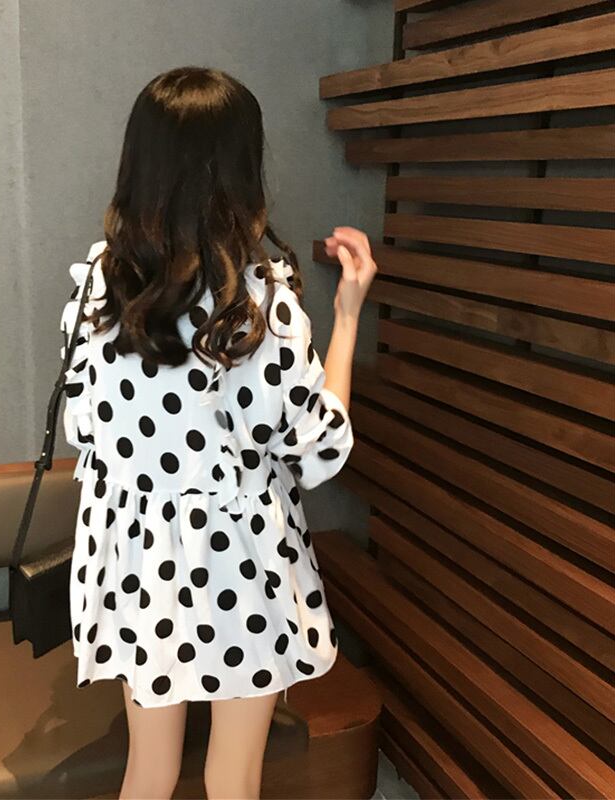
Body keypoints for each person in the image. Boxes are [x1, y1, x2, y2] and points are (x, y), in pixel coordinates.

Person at [58, 66, 377, 800]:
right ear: (240, 170)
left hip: (134, 558)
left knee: (147, 773)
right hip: (241, 562)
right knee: (233, 777)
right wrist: (348, 313)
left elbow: (84, 428)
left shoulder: (97, 290)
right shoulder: (259, 306)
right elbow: (321, 447)